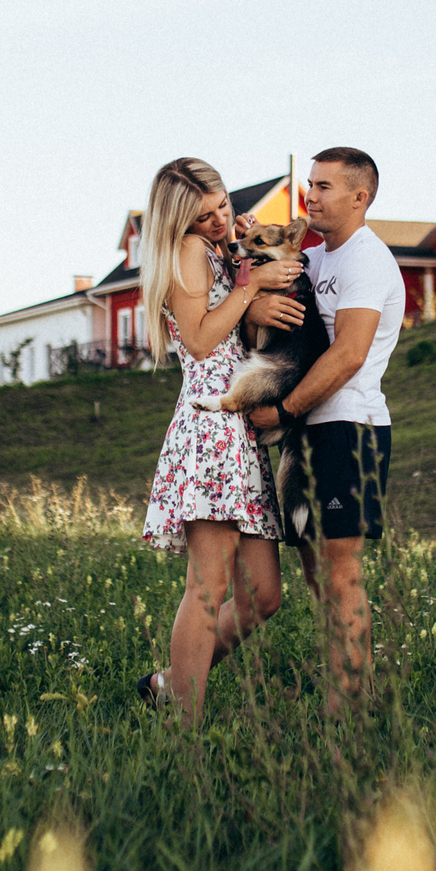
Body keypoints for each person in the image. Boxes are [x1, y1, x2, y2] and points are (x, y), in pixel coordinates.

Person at [135, 157, 304, 724]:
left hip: (238, 428)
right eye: (202, 215)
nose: (216, 220)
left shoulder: (214, 250)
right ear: (177, 220)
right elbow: (204, 341)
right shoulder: (186, 251)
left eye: (222, 206)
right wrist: (250, 287)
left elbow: (228, 312)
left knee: (263, 594)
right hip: (211, 430)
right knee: (206, 586)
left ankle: (168, 683)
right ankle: (184, 722)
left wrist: (240, 257)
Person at [236, 147, 404, 715]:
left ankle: (347, 710)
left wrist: (283, 415)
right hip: (307, 430)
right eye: (310, 183)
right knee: (314, 571)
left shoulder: (367, 260)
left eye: (326, 186)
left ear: (360, 197)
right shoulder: (318, 257)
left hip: (347, 429)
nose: (312, 194)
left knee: (339, 571)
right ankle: (354, 688)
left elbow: (349, 355)